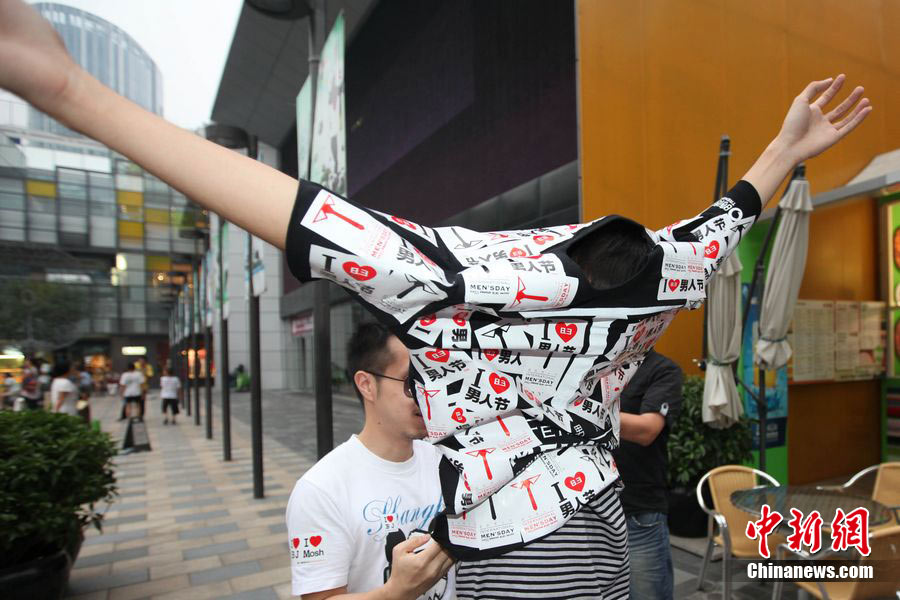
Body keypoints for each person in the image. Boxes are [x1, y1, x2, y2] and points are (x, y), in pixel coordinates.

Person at [0, 3, 872, 595]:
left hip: (525, 556)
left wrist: (71, 92)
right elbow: (722, 221)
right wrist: (784, 150)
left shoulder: (456, 276)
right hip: (595, 535)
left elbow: (289, 207)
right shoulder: (659, 282)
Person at [285, 323, 455, 599]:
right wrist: (395, 591)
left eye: (434, 378)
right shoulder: (320, 490)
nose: (429, 394)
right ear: (367, 385)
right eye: (412, 382)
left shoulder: (445, 461)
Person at [612, 349, 684, 600]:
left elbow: (647, 430)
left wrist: (583, 413)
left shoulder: (662, 370)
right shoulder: (595, 365)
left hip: (638, 510)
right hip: (590, 510)